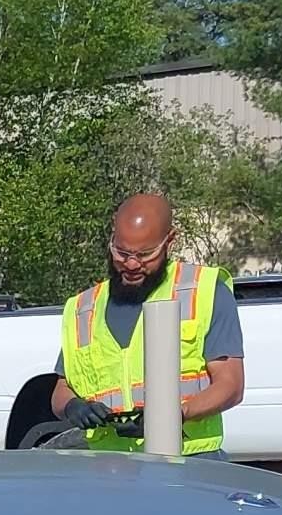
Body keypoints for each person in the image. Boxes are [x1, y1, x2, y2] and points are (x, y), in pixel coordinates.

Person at [47, 192, 245, 454]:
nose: (130, 264)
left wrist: (174, 416)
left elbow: (230, 385)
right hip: (109, 466)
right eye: (121, 252)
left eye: (145, 255)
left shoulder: (205, 292)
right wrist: (72, 406)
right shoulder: (83, 308)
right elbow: (62, 388)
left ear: (169, 241)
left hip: (191, 461)